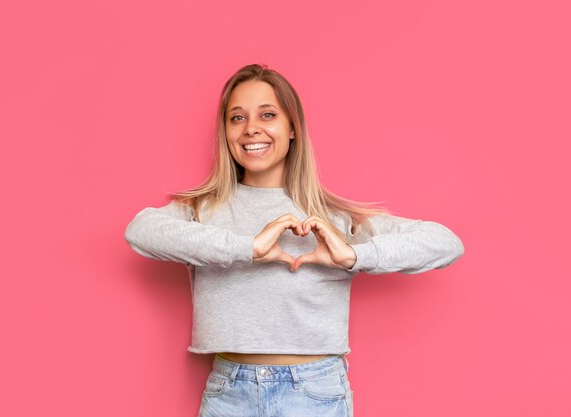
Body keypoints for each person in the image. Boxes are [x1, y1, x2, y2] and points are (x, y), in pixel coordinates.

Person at [124, 64, 464, 417]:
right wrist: (248, 249)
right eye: (236, 118)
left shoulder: (332, 216)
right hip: (229, 393)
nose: (251, 127)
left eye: (267, 114)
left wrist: (352, 256)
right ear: (225, 132)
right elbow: (140, 231)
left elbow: (445, 242)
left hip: (314, 393)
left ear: (292, 130)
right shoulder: (204, 210)